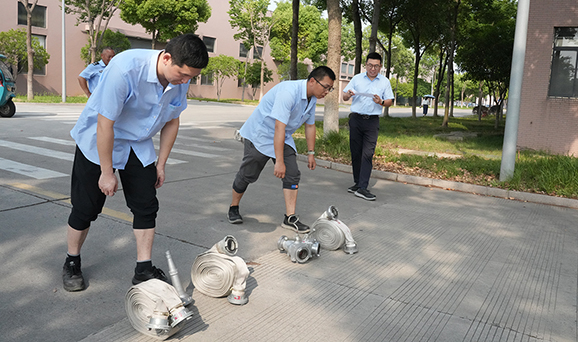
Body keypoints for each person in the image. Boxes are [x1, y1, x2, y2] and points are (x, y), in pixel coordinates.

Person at [62, 34, 209, 292]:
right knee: (86, 207)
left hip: (137, 143)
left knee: (146, 206)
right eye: (183, 75)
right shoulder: (125, 68)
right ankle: (72, 261)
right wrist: (107, 173)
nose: (186, 82)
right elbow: (105, 124)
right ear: (166, 58)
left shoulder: (180, 79)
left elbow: (172, 120)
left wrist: (161, 163)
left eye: (191, 78)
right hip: (100, 138)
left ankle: (143, 269)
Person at [227, 66, 336, 233]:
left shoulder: (311, 98)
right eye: (326, 87)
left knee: (292, 173)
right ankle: (234, 207)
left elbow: (310, 126)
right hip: (260, 134)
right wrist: (278, 162)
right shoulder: (289, 92)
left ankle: (290, 217)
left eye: (330, 88)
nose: (327, 91)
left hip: (282, 136)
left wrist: (311, 153)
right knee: (248, 174)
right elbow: (279, 126)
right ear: (313, 81)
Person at [342, 52, 394, 201]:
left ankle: (363, 187)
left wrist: (381, 102)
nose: (372, 68)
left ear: (380, 67)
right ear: (366, 65)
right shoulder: (357, 79)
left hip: (372, 121)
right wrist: (349, 95)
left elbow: (390, 100)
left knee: (368, 153)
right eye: (370, 65)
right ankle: (358, 183)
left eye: (376, 66)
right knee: (356, 152)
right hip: (356, 119)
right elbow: (344, 97)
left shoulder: (384, 82)